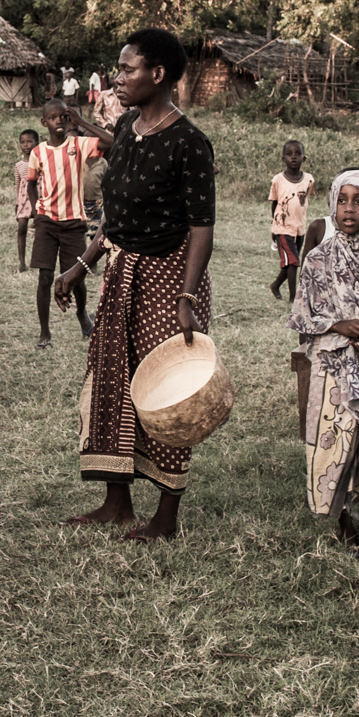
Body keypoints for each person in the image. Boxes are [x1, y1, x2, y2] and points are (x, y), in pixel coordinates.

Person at [56, 28, 216, 542]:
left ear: (158, 74)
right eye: (120, 69)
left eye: (127, 69)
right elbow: (116, 215)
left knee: (167, 394)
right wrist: (81, 264)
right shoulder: (127, 125)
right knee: (112, 385)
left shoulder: (190, 142)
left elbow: (201, 227)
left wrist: (187, 298)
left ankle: (166, 517)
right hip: (122, 275)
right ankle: (117, 503)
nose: (119, 78)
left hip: (170, 279)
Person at [287, 171, 359, 545]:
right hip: (333, 366)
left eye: (358, 200)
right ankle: (344, 523)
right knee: (336, 448)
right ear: (332, 205)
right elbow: (301, 316)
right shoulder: (318, 259)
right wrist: (340, 324)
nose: (349, 209)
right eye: (342, 200)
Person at [29, 98, 104, 348]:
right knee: (45, 277)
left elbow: (113, 143)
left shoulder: (79, 144)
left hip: (74, 222)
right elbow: (31, 182)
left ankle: (82, 316)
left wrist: (82, 122)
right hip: (46, 222)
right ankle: (44, 332)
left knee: (76, 276)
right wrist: (34, 207)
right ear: (44, 122)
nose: (59, 121)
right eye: (53, 117)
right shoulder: (37, 152)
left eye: (64, 116)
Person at [268, 139, 315, 301]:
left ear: (304, 158)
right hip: (282, 228)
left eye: (298, 154)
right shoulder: (278, 180)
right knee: (294, 262)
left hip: (299, 228)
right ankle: (293, 297)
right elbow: (274, 204)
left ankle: (275, 285)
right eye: (289, 154)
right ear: (283, 159)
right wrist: (274, 228)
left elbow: (303, 202)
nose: (293, 157)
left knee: (290, 262)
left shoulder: (309, 180)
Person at [13, 128, 40, 272]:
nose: (26, 145)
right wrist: (17, 203)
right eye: (22, 142)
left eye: (29, 142)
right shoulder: (19, 165)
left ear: (37, 143)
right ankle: (22, 263)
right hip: (24, 201)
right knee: (22, 228)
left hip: (39, 200)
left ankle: (37, 261)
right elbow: (18, 186)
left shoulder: (43, 162)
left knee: (40, 231)